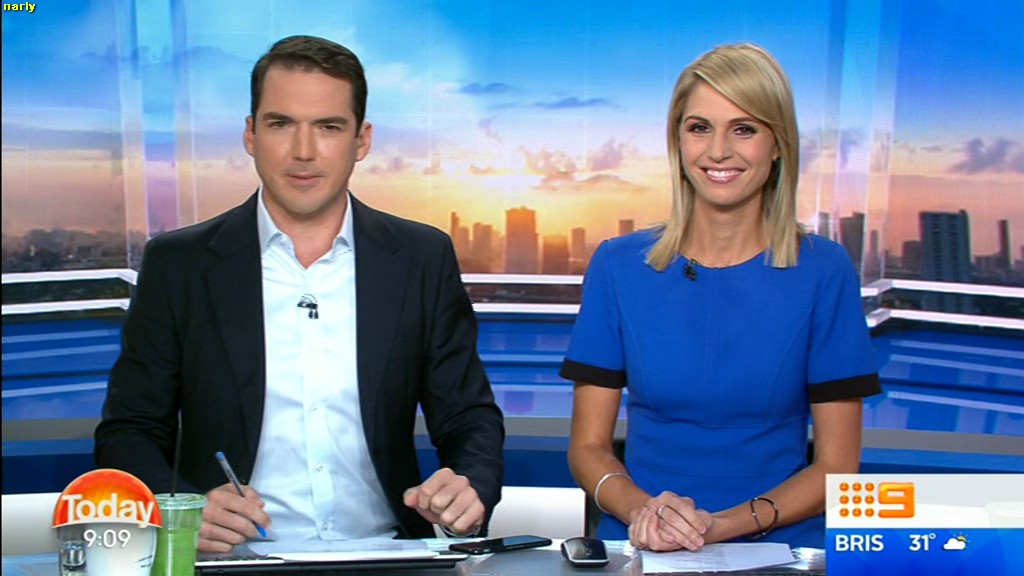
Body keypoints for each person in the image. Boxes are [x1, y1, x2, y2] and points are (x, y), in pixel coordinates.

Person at [95, 35, 504, 552]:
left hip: (385, 552)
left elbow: (467, 415)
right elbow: (128, 430)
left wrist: (470, 485)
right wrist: (182, 508)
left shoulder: (420, 257)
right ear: (251, 134)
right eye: (281, 124)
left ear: (361, 140)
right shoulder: (180, 264)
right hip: (231, 560)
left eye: (328, 127)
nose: (304, 151)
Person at [561, 43, 880, 551]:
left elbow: (836, 465)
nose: (717, 151)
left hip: (778, 550)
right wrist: (645, 512)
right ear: (678, 141)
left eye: (744, 129)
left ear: (778, 145)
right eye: (699, 127)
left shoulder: (824, 270)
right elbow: (587, 447)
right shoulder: (618, 265)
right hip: (645, 543)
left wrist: (720, 526)